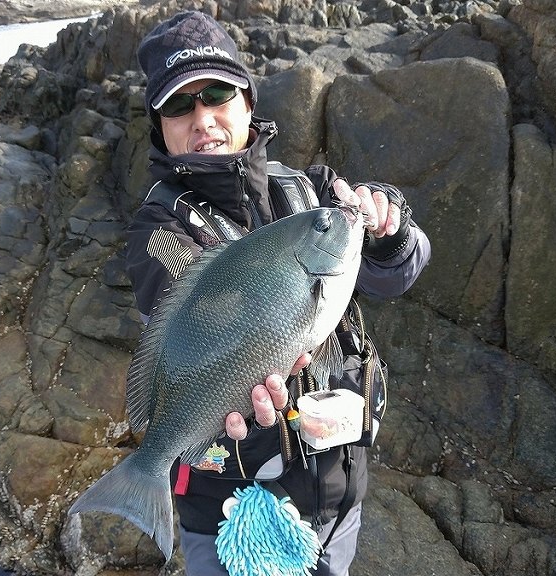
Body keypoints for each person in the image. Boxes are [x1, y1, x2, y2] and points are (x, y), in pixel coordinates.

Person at [125, 11, 431, 576]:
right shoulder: (159, 231)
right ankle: (142, 478)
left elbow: (396, 273)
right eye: (179, 105)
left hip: (336, 493)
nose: (203, 118)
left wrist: (389, 228)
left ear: (247, 101)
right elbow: (185, 323)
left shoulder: (310, 194)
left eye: (218, 93)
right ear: (159, 125)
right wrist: (226, 405)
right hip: (227, 514)